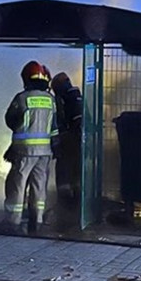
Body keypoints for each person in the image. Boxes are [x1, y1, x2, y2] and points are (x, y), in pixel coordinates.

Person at [0, 61, 58, 234]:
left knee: (17, 185)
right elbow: (54, 126)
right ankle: (36, 221)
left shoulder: (22, 98)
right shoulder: (50, 100)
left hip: (24, 151)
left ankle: (12, 221)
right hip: (45, 152)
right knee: (39, 186)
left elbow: (10, 120)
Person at [51, 72, 83, 206]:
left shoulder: (63, 99)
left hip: (67, 143)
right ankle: (77, 204)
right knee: (77, 174)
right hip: (79, 143)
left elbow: (59, 122)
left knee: (63, 173)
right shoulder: (78, 97)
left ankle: (64, 206)